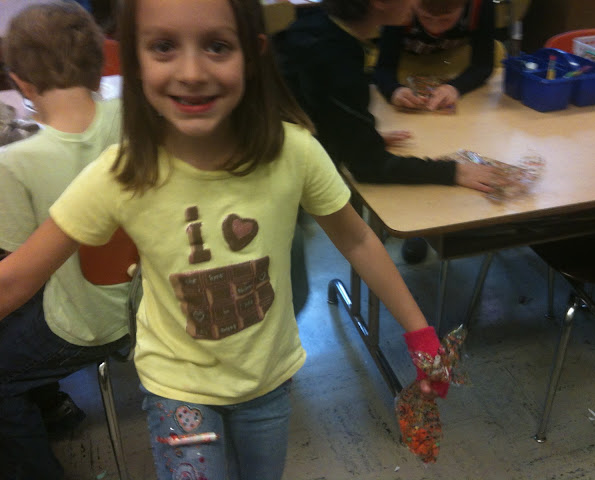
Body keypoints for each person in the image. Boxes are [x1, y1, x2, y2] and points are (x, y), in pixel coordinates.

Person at [0, 0, 451, 479]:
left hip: (267, 381)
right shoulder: (121, 173)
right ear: (135, 59)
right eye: (164, 46)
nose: (192, 72)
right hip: (177, 388)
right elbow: (15, 279)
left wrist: (420, 333)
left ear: (252, 55)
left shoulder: (294, 152)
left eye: (217, 46)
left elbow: (357, 239)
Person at [0, 3, 129, 479]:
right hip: (151, 304)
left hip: (87, 324)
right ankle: (53, 406)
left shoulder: (15, 162)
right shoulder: (136, 119)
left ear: (21, 82)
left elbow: (17, 276)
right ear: (99, 64)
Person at [273, 0, 503, 264]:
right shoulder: (334, 55)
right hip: (275, 187)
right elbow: (368, 166)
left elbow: (319, 113)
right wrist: (453, 171)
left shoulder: (320, 28)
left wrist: (357, 134)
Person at [374, 0, 495, 112]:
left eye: (445, 20)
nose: (435, 29)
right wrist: (394, 90)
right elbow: (384, 67)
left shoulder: (480, 5)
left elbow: (483, 66)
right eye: (425, 17)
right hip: (403, 67)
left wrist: (455, 88)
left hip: (454, 67)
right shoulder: (399, 4)